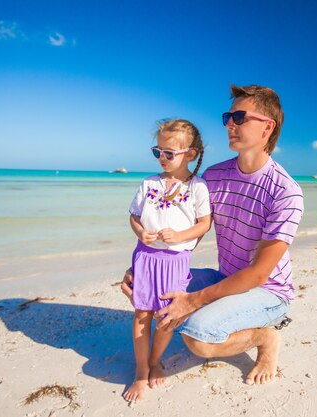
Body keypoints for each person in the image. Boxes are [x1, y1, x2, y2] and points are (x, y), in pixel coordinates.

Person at [122, 84, 303, 385]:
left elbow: (259, 274)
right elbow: (190, 228)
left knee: (199, 339)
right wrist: (144, 266)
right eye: (228, 117)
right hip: (226, 276)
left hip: (268, 291)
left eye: (240, 117)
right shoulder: (215, 177)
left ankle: (265, 337)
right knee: (156, 289)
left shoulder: (286, 192)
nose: (230, 124)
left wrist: (192, 301)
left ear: (267, 127)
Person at [122, 119, 211, 402]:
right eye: (157, 151)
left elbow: (204, 224)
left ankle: (155, 361)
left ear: (190, 154)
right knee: (141, 313)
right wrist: (140, 232)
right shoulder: (148, 183)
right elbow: (134, 216)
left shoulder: (197, 187)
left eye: (169, 153)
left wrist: (180, 235)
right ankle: (140, 370)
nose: (162, 158)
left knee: (165, 317)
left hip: (176, 260)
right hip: (146, 257)